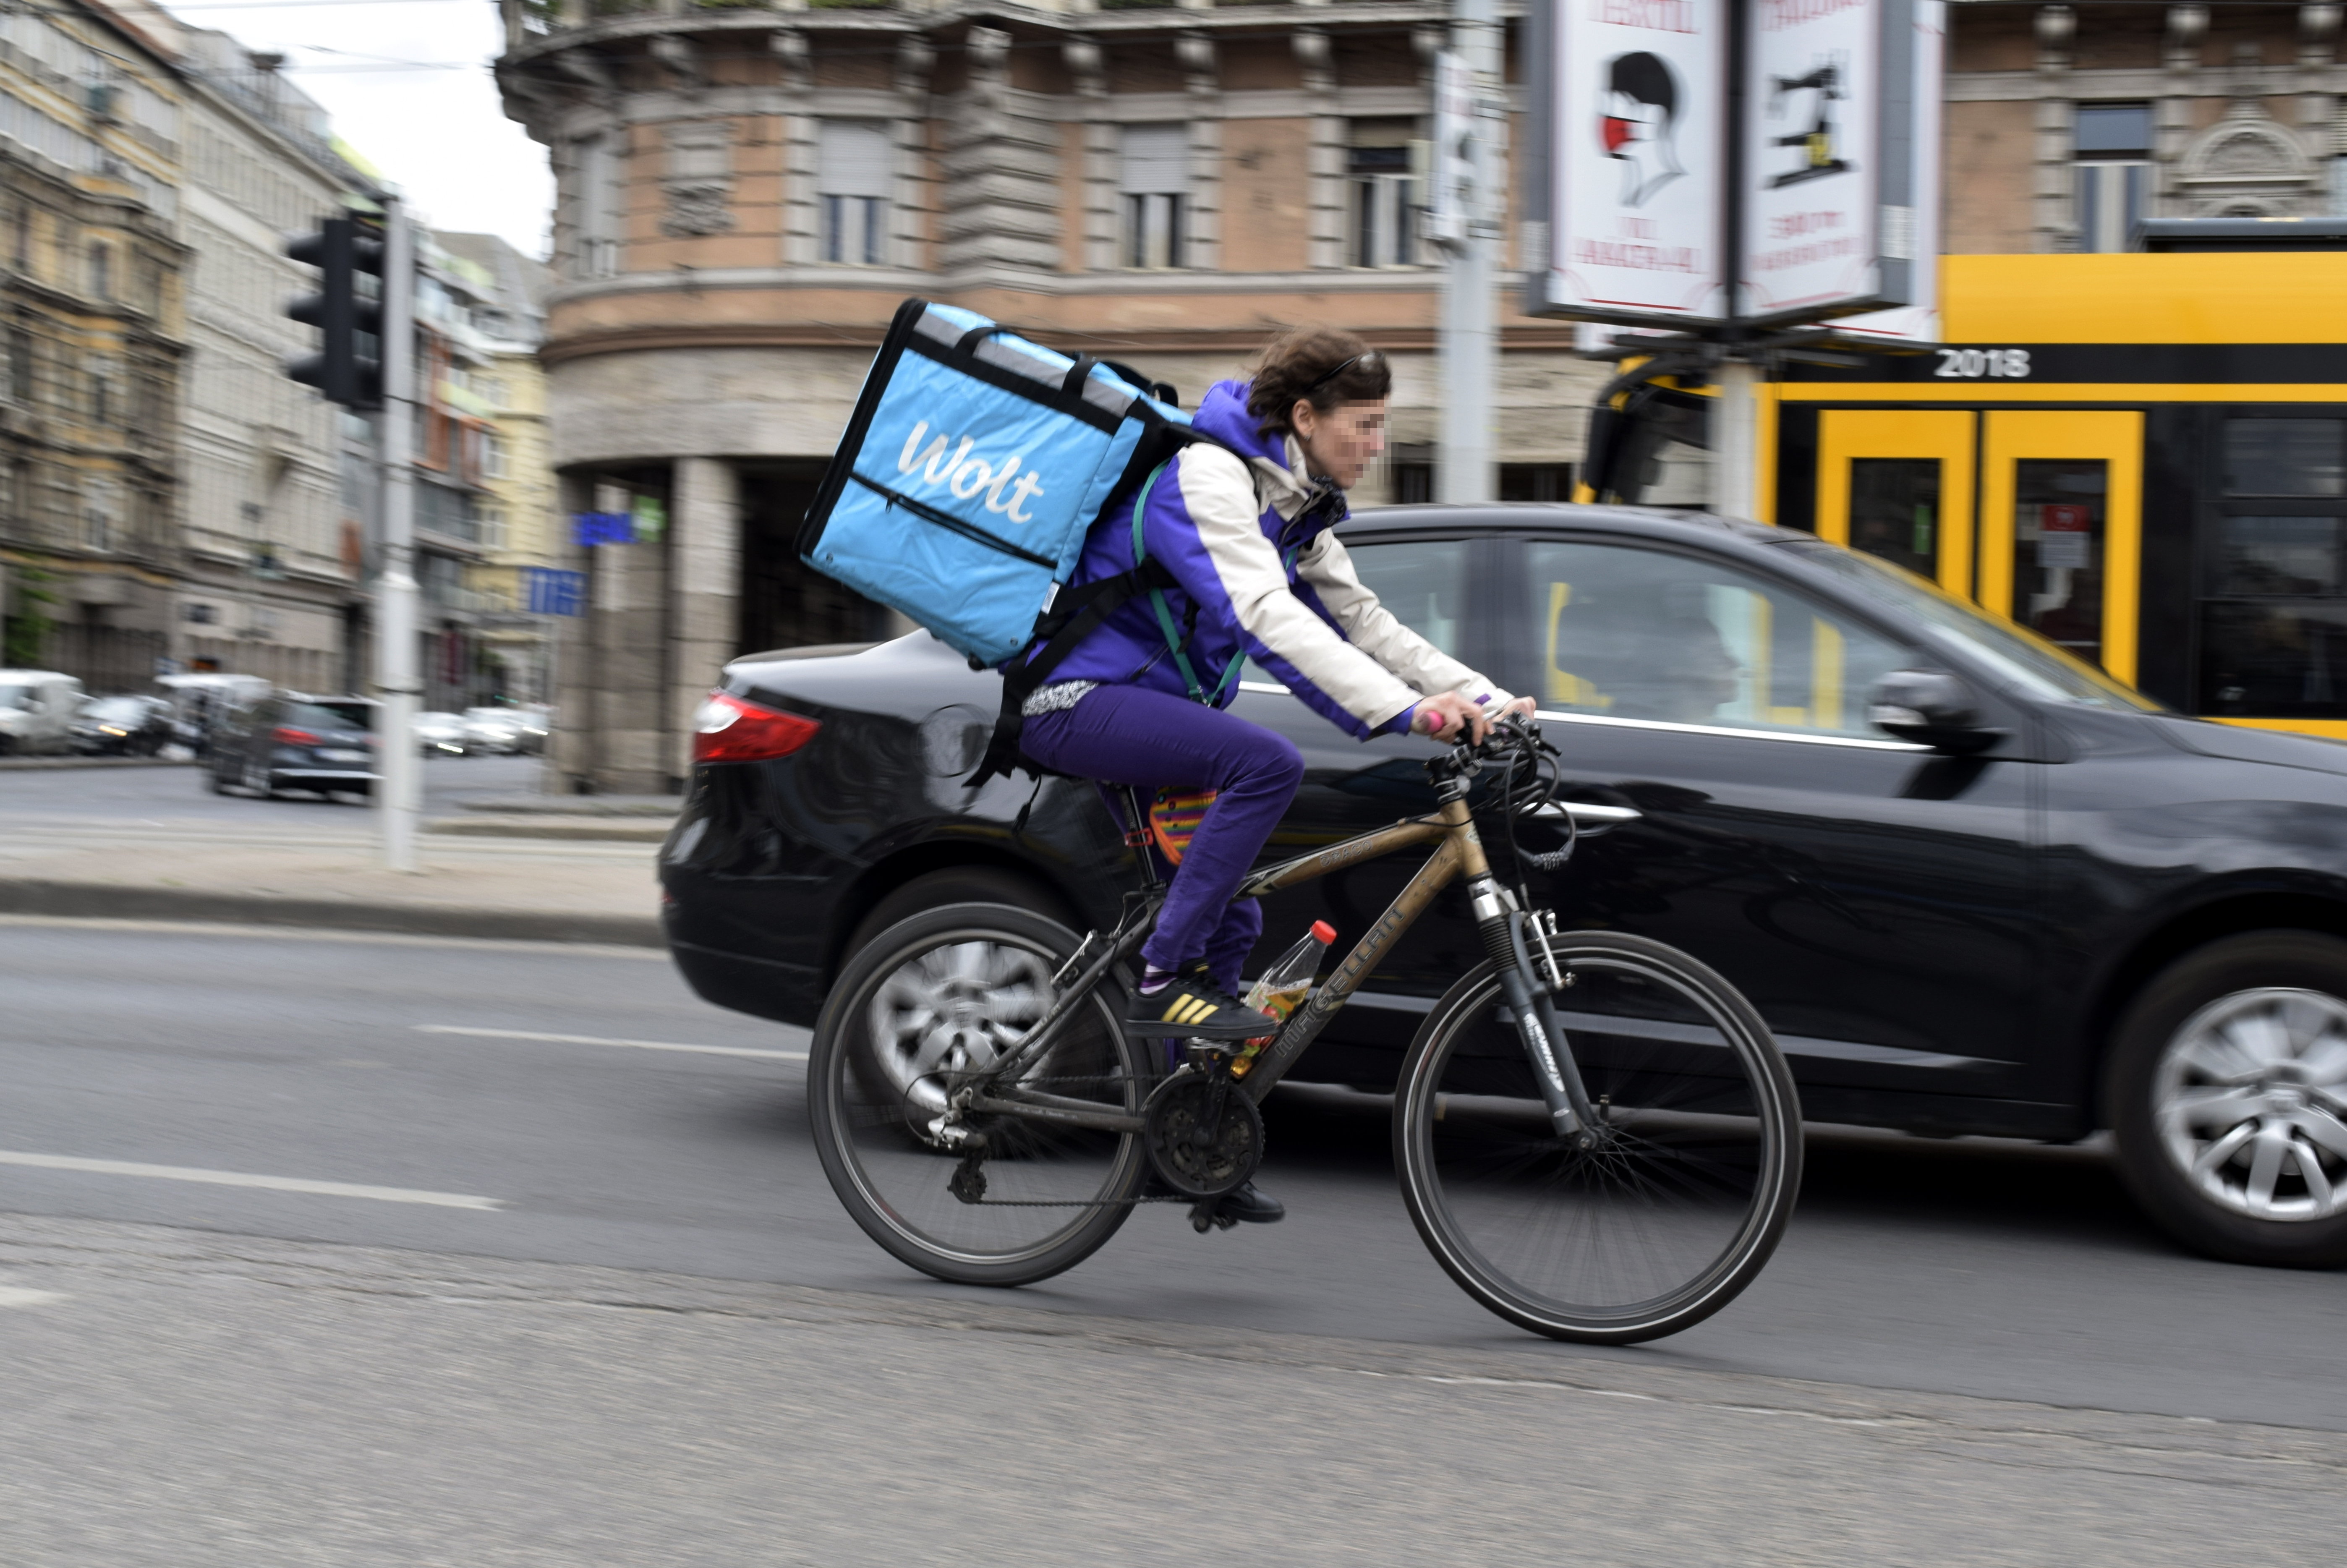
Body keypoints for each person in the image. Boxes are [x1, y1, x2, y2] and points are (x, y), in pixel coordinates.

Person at [1018, 327, 1534, 1222]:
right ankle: (1159, 973)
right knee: (1264, 763)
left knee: (1240, 908)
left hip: (1145, 707)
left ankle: (1190, 1146)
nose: (1376, 445)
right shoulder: (1209, 477)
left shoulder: (1296, 502)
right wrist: (1404, 712)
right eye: (1364, 425)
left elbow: (1366, 622)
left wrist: (1485, 697)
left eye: (1381, 427)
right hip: (1075, 698)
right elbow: (1262, 613)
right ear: (1305, 416)